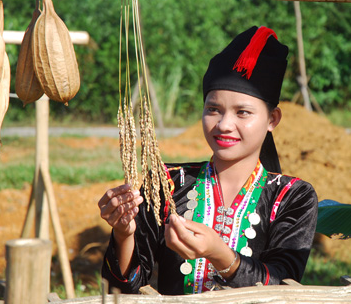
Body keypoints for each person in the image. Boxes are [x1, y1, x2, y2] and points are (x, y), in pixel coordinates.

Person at [98, 26, 318, 295]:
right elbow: (122, 289)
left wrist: (219, 254)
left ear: (272, 119)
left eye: (243, 112)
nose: (224, 124)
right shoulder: (167, 183)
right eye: (213, 109)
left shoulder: (293, 196)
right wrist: (124, 234)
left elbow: (285, 287)